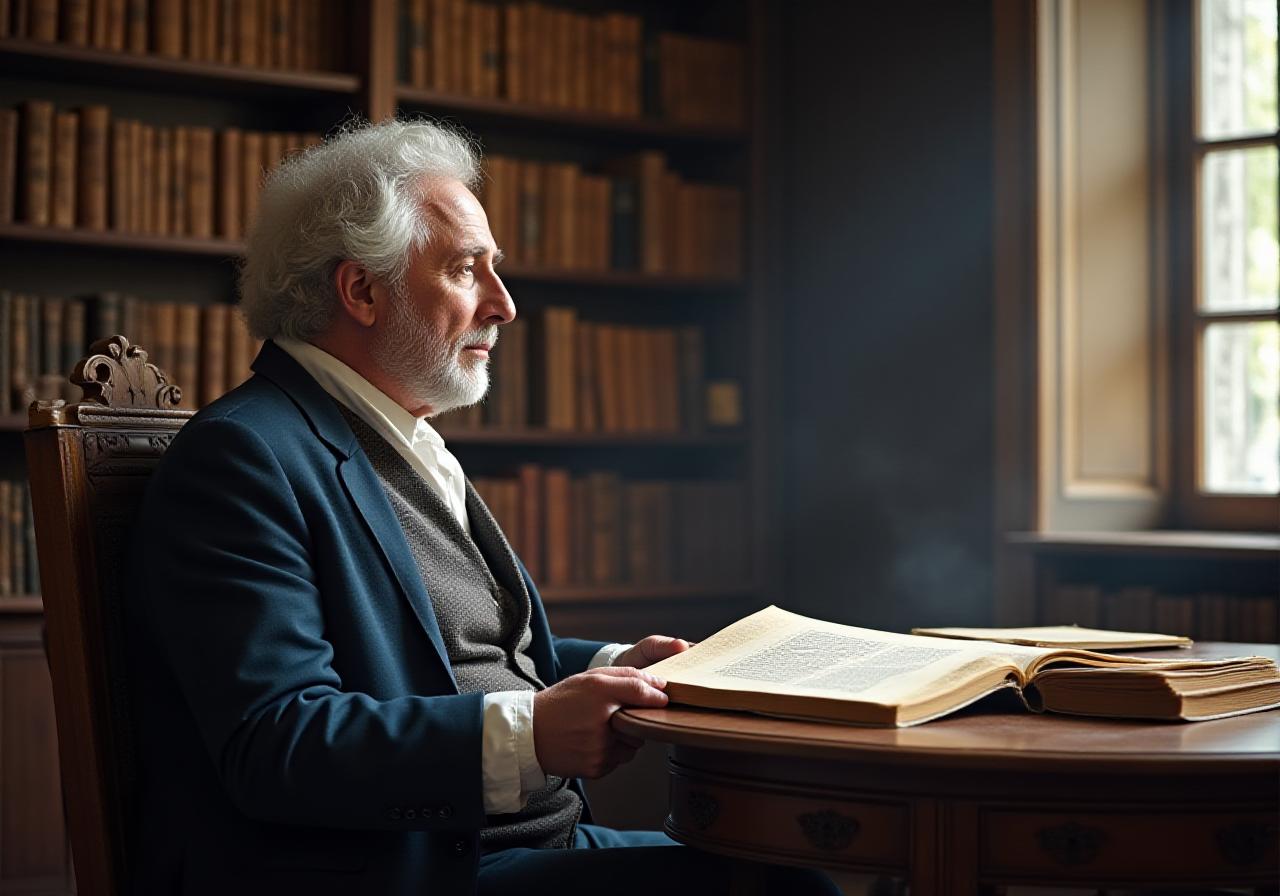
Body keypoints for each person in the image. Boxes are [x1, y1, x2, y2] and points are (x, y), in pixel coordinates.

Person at [127, 118, 839, 896]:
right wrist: (534, 732)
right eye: (468, 269)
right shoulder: (245, 454)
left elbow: (458, 656)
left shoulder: (396, 432)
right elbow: (278, 744)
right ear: (360, 290)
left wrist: (612, 667)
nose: (502, 304)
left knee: (784, 870)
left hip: (527, 842)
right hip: (412, 869)